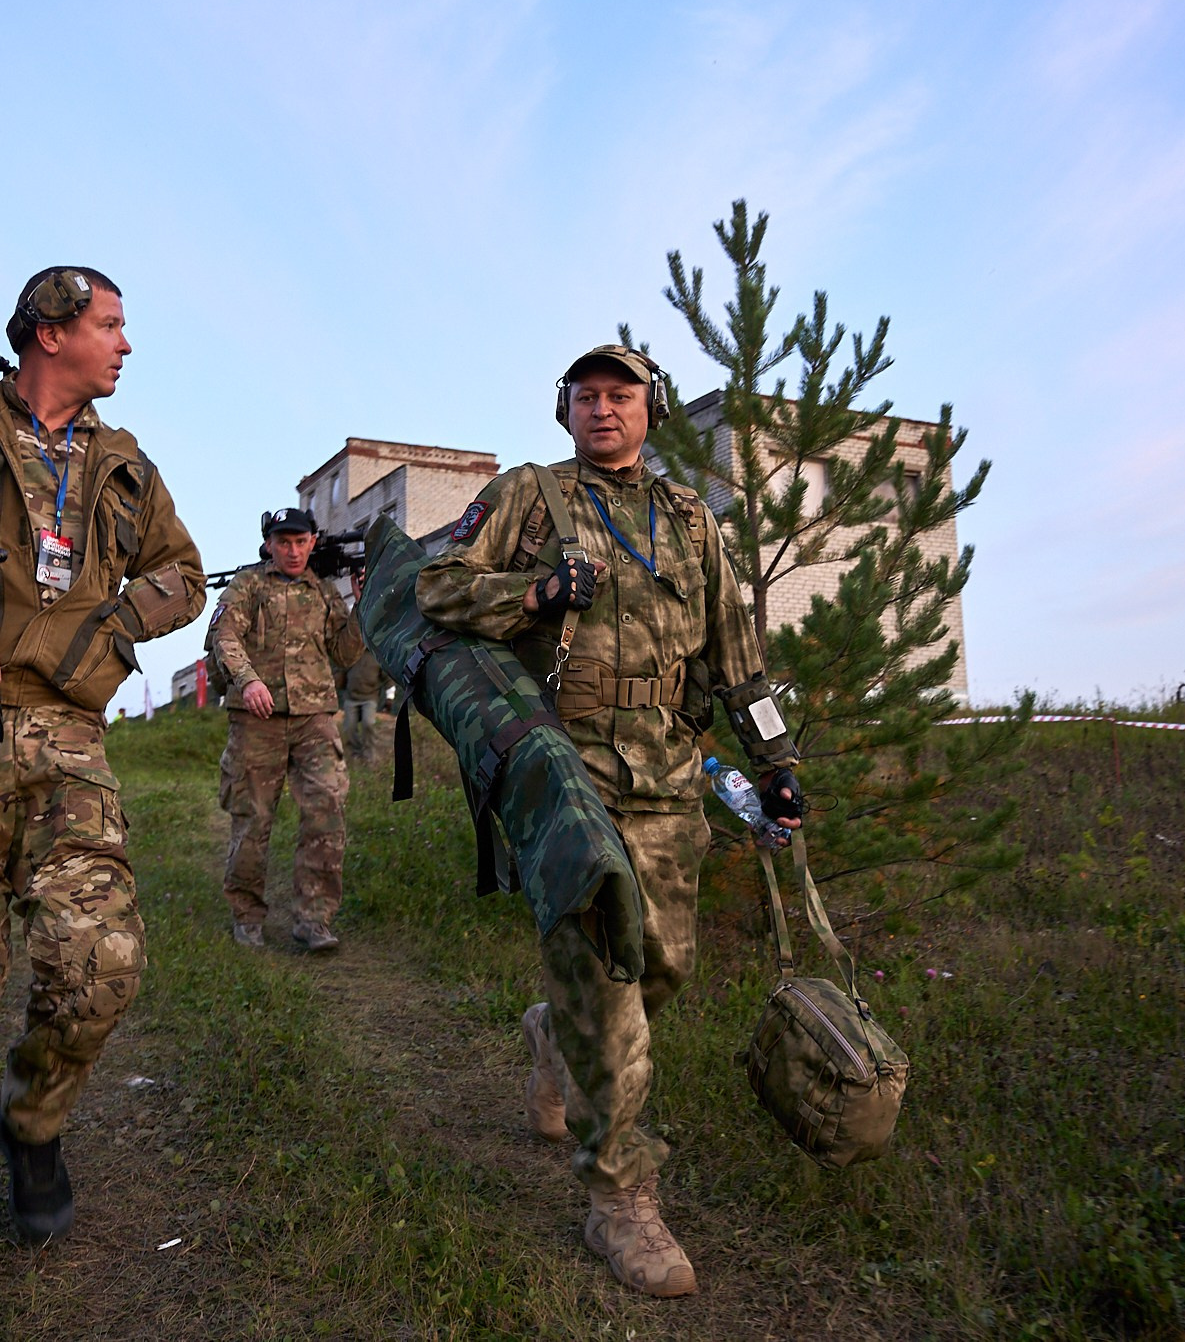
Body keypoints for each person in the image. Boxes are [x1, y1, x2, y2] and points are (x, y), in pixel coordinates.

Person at [415, 344, 804, 1299]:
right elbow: (437, 586)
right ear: (565, 410)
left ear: (649, 410)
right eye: (586, 396)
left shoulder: (691, 522)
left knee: (664, 965)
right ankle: (619, 1197)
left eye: (620, 395)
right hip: (566, 768)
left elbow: (740, 656)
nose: (602, 409)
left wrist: (779, 762)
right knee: (610, 978)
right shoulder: (529, 496)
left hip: (669, 770)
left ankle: (555, 1035)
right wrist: (533, 594)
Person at [0, 265, 204, 1320]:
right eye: (111, 324)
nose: (125, 344)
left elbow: (184, 575)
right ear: (50, 333)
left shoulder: (124, 464)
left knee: (102, 958)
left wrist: (98, 630)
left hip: (65, 729)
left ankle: (36, 1121)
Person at [207, 506, 367, 951]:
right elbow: (225, 636)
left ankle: (314, 920)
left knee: (327, 807)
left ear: (312, 542)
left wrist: (363, 605)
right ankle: (247, 914)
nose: (293, 551)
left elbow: (345, 652)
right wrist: (248, 679)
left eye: (300, 542)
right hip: (257, 717)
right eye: (283, 542)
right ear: (269, 545)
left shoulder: (324, 591)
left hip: (314, 717)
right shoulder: (249, 585)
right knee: (253, 819)